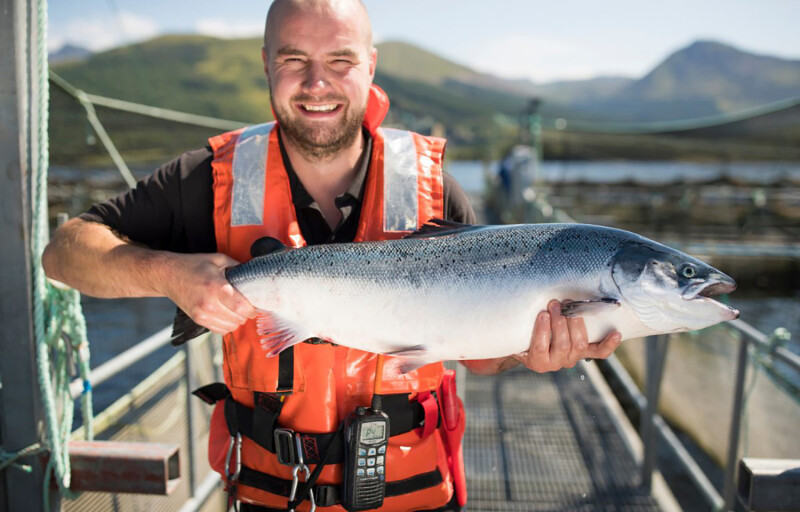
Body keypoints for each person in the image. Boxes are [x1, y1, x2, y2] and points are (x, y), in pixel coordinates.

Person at [42, 1, 622, 510]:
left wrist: (529, 348)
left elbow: (480, 358)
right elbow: (65, 252)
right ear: (266, 64)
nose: (317, 82)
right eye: (294, 59)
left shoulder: (436, 191)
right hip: (272, 496)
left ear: (370, 65)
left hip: (412, 497)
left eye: (340, 60)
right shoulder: (208, 177)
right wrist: (168, 273)